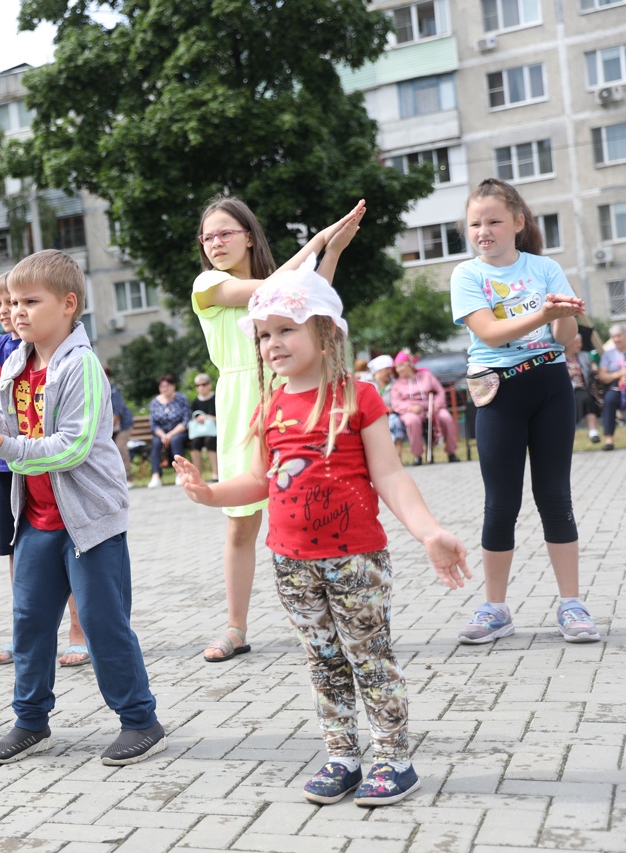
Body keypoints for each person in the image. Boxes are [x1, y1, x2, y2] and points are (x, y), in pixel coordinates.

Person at [174, 261, 470, 806]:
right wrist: (213, 493)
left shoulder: (358, 397)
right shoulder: (270, 408)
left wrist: (429, 531)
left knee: (369, 657)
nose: (273, 343)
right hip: (292, 564)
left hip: (355, 559)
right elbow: (260, 479)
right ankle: (341, 756)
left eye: (286, 329)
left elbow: (390, 475)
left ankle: (394, 759)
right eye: (265, 334)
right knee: (322, 660)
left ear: (324, 331)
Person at [0, 249, 166, 767]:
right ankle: (31, 720)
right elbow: (4, 410)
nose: (17, 311)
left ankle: (140, 719)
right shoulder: (18, 361)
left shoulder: (82, 367)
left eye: (30, 301)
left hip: (89, 520)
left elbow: (71, 447)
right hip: (37, 520)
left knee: (101, 620)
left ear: (69, 305)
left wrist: (2, 447)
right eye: (13, 302)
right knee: (30, 620)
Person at [190, 197, 366, 662]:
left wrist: (331, 252)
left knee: (313, 511)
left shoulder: (279, 283)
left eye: (226, 232)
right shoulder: (208, 284)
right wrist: (315, 241)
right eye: (208, 237)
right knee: (241, 524)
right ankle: (235, 626)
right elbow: (270, 289)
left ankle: (337, 619)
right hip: (238, 404)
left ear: (248, 235)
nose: (216, 243)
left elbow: (310, 307)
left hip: (287, 395)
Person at [450, 177, 600, 644]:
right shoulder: (467, 275)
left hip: (550, 384)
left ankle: (571, 605)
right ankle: (495, 608)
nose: (483, 231)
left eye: (494, 221)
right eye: (475, 223)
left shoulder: (545, 267)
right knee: (501, 503)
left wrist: (566, 312)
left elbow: (566, 340)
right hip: (496, 391)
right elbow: (491, 335)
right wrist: (545, 314)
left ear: (518, 222)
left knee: (555, 496)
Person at [0, 279, 90, 668]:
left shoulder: (63, 352)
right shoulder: (0, 346)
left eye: (18, 302)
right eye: (1, 303)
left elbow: (1, 396)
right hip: (7, 460)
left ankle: (79, 631)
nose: (7, 310)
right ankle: (25, 632)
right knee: (16, 550)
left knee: (69, 542)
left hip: (48, 459)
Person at [389, 351, 459, 465]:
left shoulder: (426, 376)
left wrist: (437, 404)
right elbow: (396, 402)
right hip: (411, 410)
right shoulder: (397, 384)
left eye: (401, 365)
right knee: (412, 421)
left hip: (432, 407)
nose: (398, 369)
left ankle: (452, 453)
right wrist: (410, 408)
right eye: (396, 367)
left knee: (446, 417)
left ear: (410, 365)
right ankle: (417, 455)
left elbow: (440, 391)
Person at [146, 375, 189, 489]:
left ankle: (180, 474)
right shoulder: (155, 402)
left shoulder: (181, 399)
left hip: (179, 432)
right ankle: (156, 476)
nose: (165, 389)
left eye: (167, 386)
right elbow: (153, 424)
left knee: (176, 440)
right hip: (161, 434)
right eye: (162, 386)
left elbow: (185, 421)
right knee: (155, 443)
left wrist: (170, 434)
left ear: (173, 386)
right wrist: (163, 435)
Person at [367, 354, 408, 450]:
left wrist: (391, 408)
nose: (390, 372)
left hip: (391, 414)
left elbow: (399, 401)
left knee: (395, 422)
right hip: (371, 414)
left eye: (390, 369)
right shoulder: (367, 383)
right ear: (379, 369)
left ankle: (397, 456)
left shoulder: (395, 383)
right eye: (387, 369)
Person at [566, 333, 601, 443]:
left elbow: (591, 372)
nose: (579, 345)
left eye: (580, 342)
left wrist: (594, 369)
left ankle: (593, 432)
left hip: (583, 388)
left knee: (586, 397)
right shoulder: (558, 357)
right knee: (583, 398)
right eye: (576, 342)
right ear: (569, 343)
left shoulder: (584, 356)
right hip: (566, 389)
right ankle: (592, 431)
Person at [596, 324, 626, 450]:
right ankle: (609, 440)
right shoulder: (608, 354)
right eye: (613, 337)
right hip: (615, 386)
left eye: (619, 336)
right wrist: (619, 374)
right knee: (609, 400)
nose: (616, 339)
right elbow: (602, 376)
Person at [106, 367, 134, 485]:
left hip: (122, 426)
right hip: (110, 429)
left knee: (120, 448)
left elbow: (116, 414)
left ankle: (128, 478)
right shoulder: (96, 390)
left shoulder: (114, 391)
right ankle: (113, 480)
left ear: (109, 377)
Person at [188, 373, 218, 480]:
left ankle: (216, 472)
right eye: (198, 385)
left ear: (209, 385)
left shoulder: (217, 397)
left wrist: (207, 417)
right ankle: (197, 473)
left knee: (210, 441)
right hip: (200, 431)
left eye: (203, 384)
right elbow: (192, 418)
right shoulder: (195, 402)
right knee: (194, 443)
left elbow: (221, 417)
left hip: (215, 430)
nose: (200, 387)